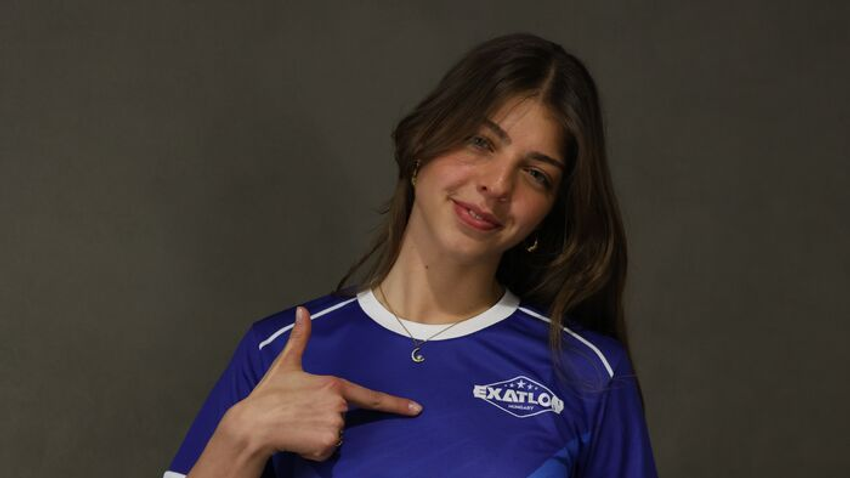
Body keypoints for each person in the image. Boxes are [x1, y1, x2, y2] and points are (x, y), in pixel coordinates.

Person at [164, 32, 658, 478]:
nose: (497, 184)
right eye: (481, 141)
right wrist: (245, 435)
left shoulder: (590, 374)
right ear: (422, 144)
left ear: (547, 213)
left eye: (536, 174)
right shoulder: (276, 351)